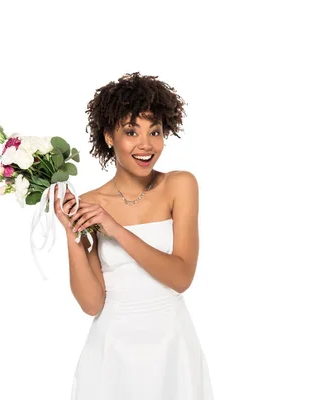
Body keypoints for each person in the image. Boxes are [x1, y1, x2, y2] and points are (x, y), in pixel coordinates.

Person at [53, 72, 214, 400]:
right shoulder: (91, 204)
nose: (146, 145)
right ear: (109, 137)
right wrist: (72, 235)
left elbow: (181, 277)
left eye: (154, 132)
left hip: (172, 347)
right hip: (112, 351)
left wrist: (114, 229)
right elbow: (91, 303)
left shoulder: (179, 185)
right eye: (131, 131)